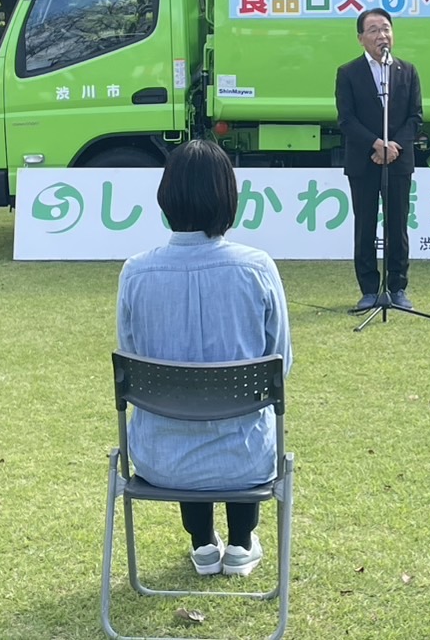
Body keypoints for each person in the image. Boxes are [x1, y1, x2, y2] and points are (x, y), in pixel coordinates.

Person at [116, 139, 292, 578]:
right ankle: (241, 543)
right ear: (228, 198)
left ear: (166, 197)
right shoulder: (257, 267)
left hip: (161, 460)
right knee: (239, 421)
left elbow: (131, 355)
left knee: (184, 413)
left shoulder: (136, 271)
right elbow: (280, 364)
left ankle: (202, 543)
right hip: (246, 459)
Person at [335, 8, 424, 312]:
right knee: (365, 225)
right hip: (363, 161)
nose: (381, 35)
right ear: (361, 38)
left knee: (397, 224)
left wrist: (393, 145)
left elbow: (415, 117)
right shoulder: (348, 73)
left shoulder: (407, 71)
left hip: (398, 159)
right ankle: (369, 290)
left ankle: (397, 287)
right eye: (373, 30)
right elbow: (346, 120)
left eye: (385, 28)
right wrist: (376, 144)